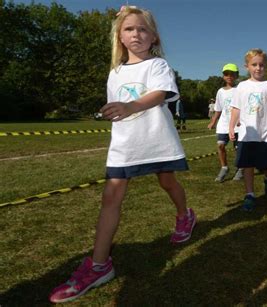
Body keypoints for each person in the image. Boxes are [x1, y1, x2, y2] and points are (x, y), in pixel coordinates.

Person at [49, 6, 196, 303]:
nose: (136, 34)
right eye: (129, 29)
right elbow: (116, 105)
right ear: (119, 36)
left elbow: (159, 94)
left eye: (142, 29)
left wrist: (130, 106)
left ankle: (185, 216)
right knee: (111, 198)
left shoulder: (158, 66)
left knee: (167, 183)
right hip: (125, 146)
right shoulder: (115, 73)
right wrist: (114, 110)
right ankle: (99, 265)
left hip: (157, 142)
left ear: (153, 37)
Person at [229, 48, 267, 211]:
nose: (258, 68)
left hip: (264, 134)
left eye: (261, 65)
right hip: (246, 134)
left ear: (265, 66)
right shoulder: (242, 87)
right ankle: (250, 195)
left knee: (264, 165)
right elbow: (236, 108)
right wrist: (231, 126)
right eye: (254, 64)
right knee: (247, 165)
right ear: (247, 66)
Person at [207, 63, 243, 182]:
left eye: (232, 74)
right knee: (220, 145)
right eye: (226, 74)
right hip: (224, 124)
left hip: (238, 125)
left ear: (236, 75)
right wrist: (213, 122)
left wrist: (240, 119)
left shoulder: (240, 90)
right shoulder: (220, 91)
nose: (229, 76)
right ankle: (224, 167)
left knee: (238, 148)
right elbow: (218, 109)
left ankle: (240, 168)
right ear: (223, 76)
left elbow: (244, 107)